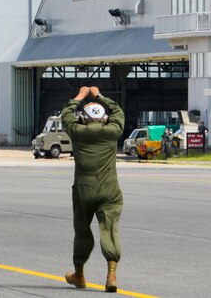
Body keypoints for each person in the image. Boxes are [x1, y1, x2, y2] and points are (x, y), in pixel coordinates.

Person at [61, 86, 124, 293]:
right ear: (103, 118)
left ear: (85, 118)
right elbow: (119, 113)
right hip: (109, 190)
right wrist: (99, 96)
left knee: (81, 231)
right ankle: (111, 274)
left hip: (83, 190)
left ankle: (79, 275)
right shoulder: (112, 132)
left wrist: (80, 96)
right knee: (110, 230)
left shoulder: (78, 132)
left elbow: (67, 115)